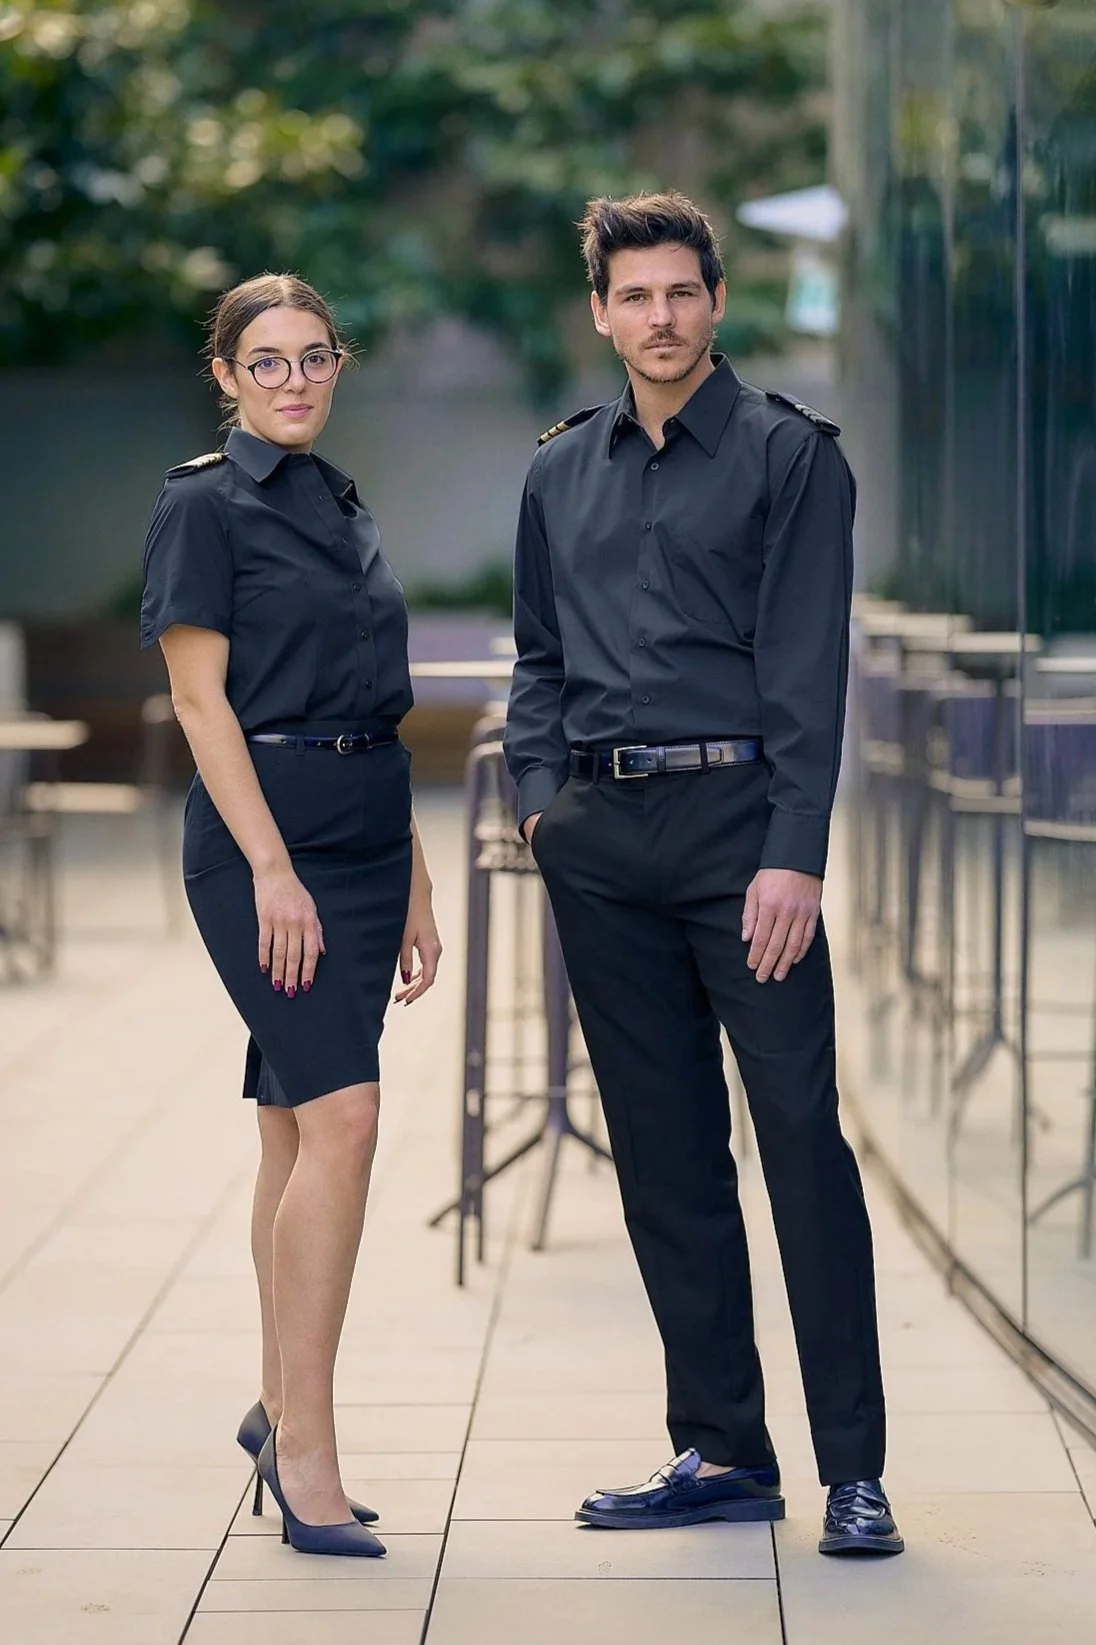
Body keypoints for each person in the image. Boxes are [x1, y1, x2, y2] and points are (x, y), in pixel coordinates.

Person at [504, 193, 903, 1557]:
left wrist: (794, 852)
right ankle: (725, 1448)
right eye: (636, 296)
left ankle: (855, 1470)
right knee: (665, 1154)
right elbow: (538, 658)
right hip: (601, 844)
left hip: (744, 839)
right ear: (602, 314)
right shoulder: (559, 471)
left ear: (717, 302)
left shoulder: (792, 458)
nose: (660, 316)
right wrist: (542, 808)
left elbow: (808, 669)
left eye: (682, 291)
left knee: (798, 1136)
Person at [140, 273, 441, 1558]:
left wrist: (413, 870)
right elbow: (199, 702)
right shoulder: (202, 504)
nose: (295, 380)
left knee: (292, 1124)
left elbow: (371, 699)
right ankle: (307, 1450)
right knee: (346, 1119)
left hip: (366, 841)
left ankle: (276, 1407)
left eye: (315, 356)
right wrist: (272, 869)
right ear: (226, 376)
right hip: (267, 850)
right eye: (266, 361)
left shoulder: (338, 497)